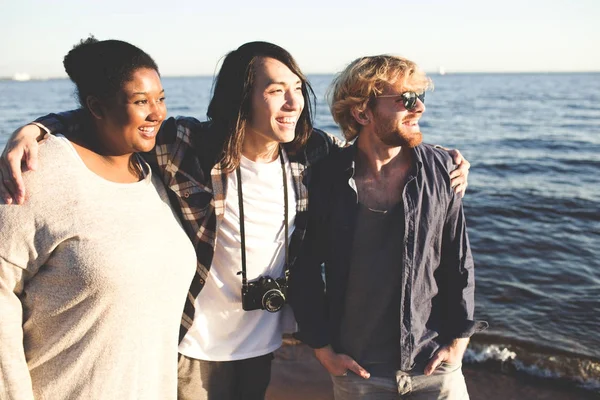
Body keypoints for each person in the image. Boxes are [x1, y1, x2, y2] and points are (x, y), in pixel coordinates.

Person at [0, 42, 471, 400]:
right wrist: (39, 129)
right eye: (275, 91)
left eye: (296, 90)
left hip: (263, 344)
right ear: (241, 98)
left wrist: (441, 161)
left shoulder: (313, 155)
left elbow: (375, 150)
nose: (293, 103)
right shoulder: (187, 146)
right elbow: (117, 116)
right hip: (193, 349)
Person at [0, 37, 196, 399]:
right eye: (141, 101)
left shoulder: (158, 172)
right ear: (96, 107)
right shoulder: (39, 173)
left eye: (161, 98)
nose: (157, 113)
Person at [288, 55, 487, 400]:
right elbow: (304, 267)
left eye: (420, 96)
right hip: (359, 372)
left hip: (434, 367)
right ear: (362, 112)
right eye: (405, 99)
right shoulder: (325, 177)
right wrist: (321, 348)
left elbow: (458, 263)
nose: (419, 107)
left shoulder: (443, 170)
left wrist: (459, 341)